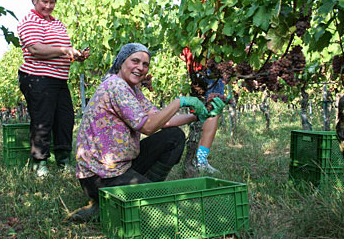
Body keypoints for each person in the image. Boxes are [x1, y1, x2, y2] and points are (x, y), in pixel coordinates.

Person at [67, 43, 226, 222]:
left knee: (174, 137)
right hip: (99, 177)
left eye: (145, 64)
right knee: (161, 202)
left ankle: (136, 194)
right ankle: (111, 203)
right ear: (121, 62)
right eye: (135, 61)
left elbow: (160, 120)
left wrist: (197, 116)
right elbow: (148, 127)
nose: (141, 68)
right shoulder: (115, 86)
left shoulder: (132, 89)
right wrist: (179, 102)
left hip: (120, 166)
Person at [17, 0, 84, 177]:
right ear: (34, 0)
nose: (48, 6)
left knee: (65, 119)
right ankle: (40, 163)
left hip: (58, 80)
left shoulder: (56, 23)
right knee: (42, 119)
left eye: (52, 2)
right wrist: (65, 50)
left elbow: (61, 51)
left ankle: (63, 160)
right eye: (44, 1)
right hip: (37, 77)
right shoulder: (30, 21)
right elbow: (36, 49)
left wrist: (75, 55)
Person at [180, 47, 230, 173]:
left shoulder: (192, 34)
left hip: (194, 69)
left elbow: (181, 54)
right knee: (213, 112)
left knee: (203, 111)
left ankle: (197, 158)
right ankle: (201, 160)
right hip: (211, 68)